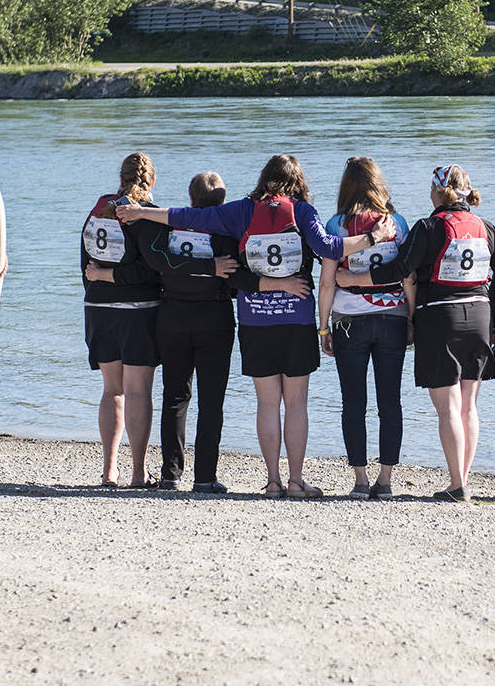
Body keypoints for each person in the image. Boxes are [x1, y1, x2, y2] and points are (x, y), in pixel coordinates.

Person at [117, 154, 394, 499]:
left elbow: (188, 216)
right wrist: (373, 238)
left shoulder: (242, 211)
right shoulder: (302, 211)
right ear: (298, 182)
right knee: (296, 404)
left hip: (254, 321)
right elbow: (329, 248)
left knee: (266, 404)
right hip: (296, 318)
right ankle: (295, 481)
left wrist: (142, 212)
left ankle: (273, 481)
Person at [87, 172, 308, 494]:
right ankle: (204, 477)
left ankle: (171, 474)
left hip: (172, 318)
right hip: (214, 319)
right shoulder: (228, 233)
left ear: (190, 200)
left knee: (175, 398)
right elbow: (236, 278)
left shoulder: (169, 227)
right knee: (211, 401)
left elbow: (157, 263)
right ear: (221, 203)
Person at [337, 164, 495, 502]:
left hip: (439, 318)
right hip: (479, 314)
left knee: (448, 408)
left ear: (437, 192)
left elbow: (400, 268)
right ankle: (461, 480)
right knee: (469, 407)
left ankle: (457, 484)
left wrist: (352, 280)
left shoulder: (428, 226)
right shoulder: (486, 227)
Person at [317, 157, 413, 500]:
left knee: (353, 402)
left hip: (349, 321)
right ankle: (385, 480)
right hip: (392, 318)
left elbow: (327, 283)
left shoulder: (336, 224)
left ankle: (359, 480)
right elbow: (408, 276)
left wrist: (323, 328)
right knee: (391, 402)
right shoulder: (398, 222)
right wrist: (412, 319)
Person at [80, 152, 161, 489]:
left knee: (112, 390)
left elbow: (85, 263)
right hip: (139, 311)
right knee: (138, 391)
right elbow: (151, 268)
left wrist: (99, 282)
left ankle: (108, 471)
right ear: (151, 180)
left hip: (98, 309)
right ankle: (139, 473)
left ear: (120, 178)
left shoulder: (98, 209)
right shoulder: (147, 214)